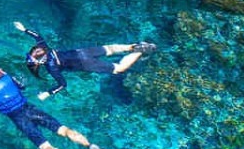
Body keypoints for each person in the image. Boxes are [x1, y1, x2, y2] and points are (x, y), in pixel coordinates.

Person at [15, 21, 157, 100]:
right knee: (111, 49)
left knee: (119, 68)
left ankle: (139, 51)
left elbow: (62, 84)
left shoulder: (52, 68)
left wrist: (48, 93)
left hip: (85, 64)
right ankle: (136, 46)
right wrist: (24, 29)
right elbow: (37, 36)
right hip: (83, 52)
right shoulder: (44, 47)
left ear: (41, 61)